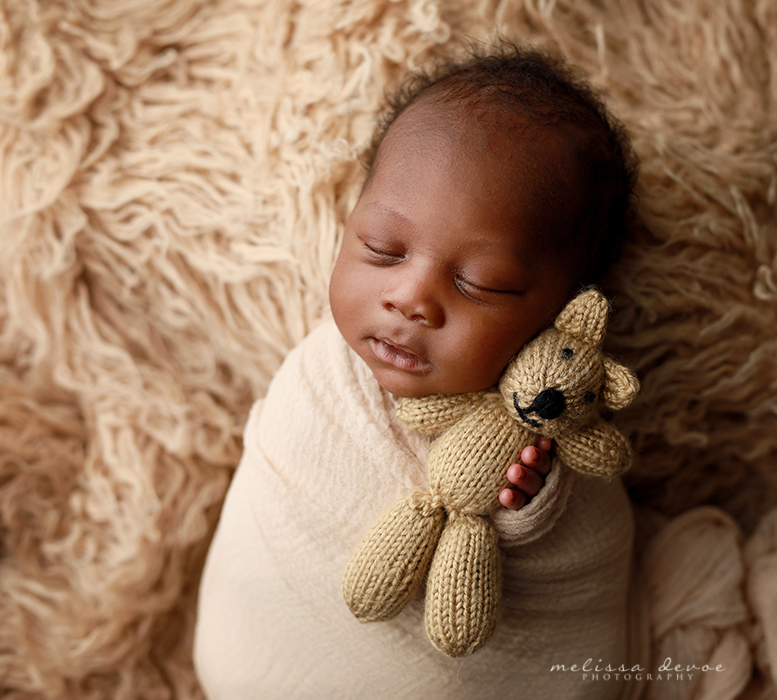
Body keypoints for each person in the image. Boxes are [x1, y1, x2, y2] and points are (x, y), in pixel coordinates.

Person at [194, 44, 640, 700]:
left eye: (479, 282)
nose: (411, 297)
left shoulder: (550, 422)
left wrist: (532, 510)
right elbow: (278, 496)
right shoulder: (322, 380)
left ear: (568, 311)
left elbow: (584, 560)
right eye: (383, 249)